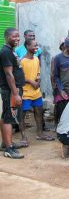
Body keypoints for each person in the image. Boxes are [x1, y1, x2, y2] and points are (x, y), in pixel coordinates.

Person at [21, 39, 54, 142]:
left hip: (36, 92)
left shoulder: (36, 59)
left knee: (39, 112)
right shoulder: (22, 61)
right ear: (27, 46)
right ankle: (23, 137)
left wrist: (38, 81)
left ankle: (40, 133)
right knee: (22, 115)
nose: (36, 47)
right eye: (34, 46)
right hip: (25, 93)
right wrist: (31, 81)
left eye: (37, 46)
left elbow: (38, 73)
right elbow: (19, 78)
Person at [0, 28, 25, 159]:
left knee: (6, 116)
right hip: (10, 91)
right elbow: (9, 75)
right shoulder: (5, 52)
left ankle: (5, 143)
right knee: (9, 118)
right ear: (7, 37)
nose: (17, 39)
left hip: (12, 90)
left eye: (18, 37)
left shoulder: (10, 51)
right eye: (14, 37)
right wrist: (15, 94)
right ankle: (9, 149)